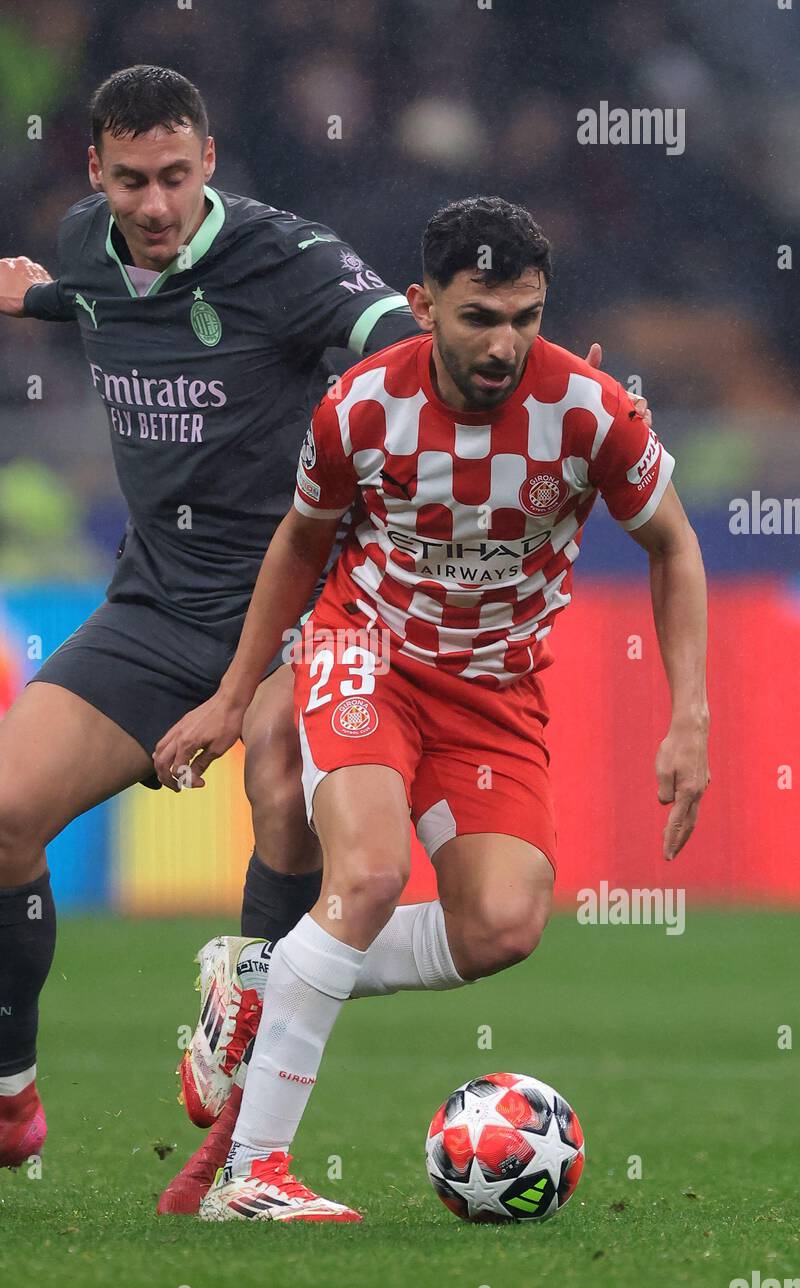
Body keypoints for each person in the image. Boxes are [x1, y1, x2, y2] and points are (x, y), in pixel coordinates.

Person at [155, 195, 710, 1222]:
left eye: (524, 318)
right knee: (366, 874)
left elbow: (672, 544)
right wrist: (236, 693)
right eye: (477, 318)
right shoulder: (361, 407)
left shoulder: (588, 410)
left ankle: (259, 981)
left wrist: (689, 717)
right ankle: (254, 1175)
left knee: (501, 922)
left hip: (495, 692)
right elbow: (297, 542)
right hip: (364, 655)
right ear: (422, 305)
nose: (503, 345)